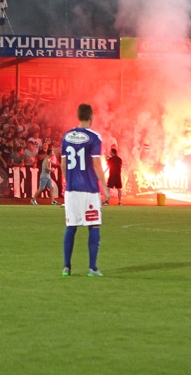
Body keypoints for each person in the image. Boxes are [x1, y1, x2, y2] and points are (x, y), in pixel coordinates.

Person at [61, 103, 107, 277]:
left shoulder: (66, 136)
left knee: (71, 226)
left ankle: (66, 266)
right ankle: (92, 268)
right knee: (93, 226)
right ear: (91, 116)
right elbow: (96, 164)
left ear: (78, 115)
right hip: (89, 189)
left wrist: (69, 182)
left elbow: (64, 165)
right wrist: (105, 187)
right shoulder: (94, 137)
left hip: (72, 190)